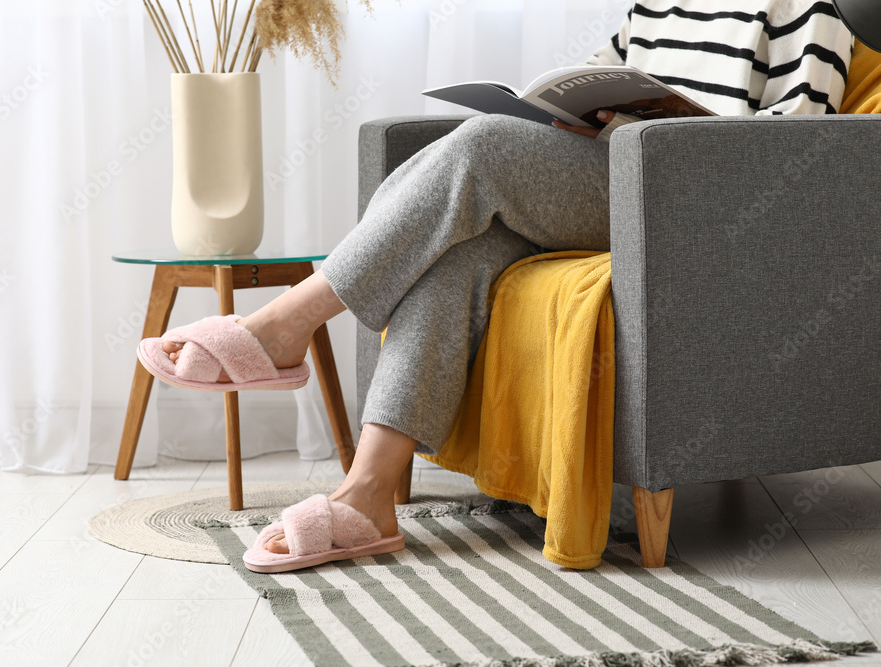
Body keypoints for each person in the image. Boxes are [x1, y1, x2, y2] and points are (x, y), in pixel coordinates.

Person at [138, 0, 854, 571]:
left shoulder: (807, 12)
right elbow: (582, 91)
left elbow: (798, 154)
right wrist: (582, 116)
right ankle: (370, 494)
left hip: (691, 203)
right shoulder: (653, 9)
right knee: (458, 248)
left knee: (480, 148)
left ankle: (289, 323)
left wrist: (669, 130)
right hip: (606, 183)